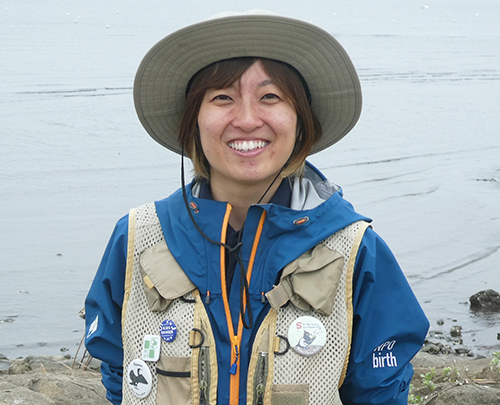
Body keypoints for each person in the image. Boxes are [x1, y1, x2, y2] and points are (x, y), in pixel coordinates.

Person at [84, 10, 429, 405]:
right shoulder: (136, 238)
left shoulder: (356, 251)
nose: (247, 120)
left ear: (301, 121)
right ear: (192, 121)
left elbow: (379, 393)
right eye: (222, 98)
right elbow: (117, 370)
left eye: (270, 97)